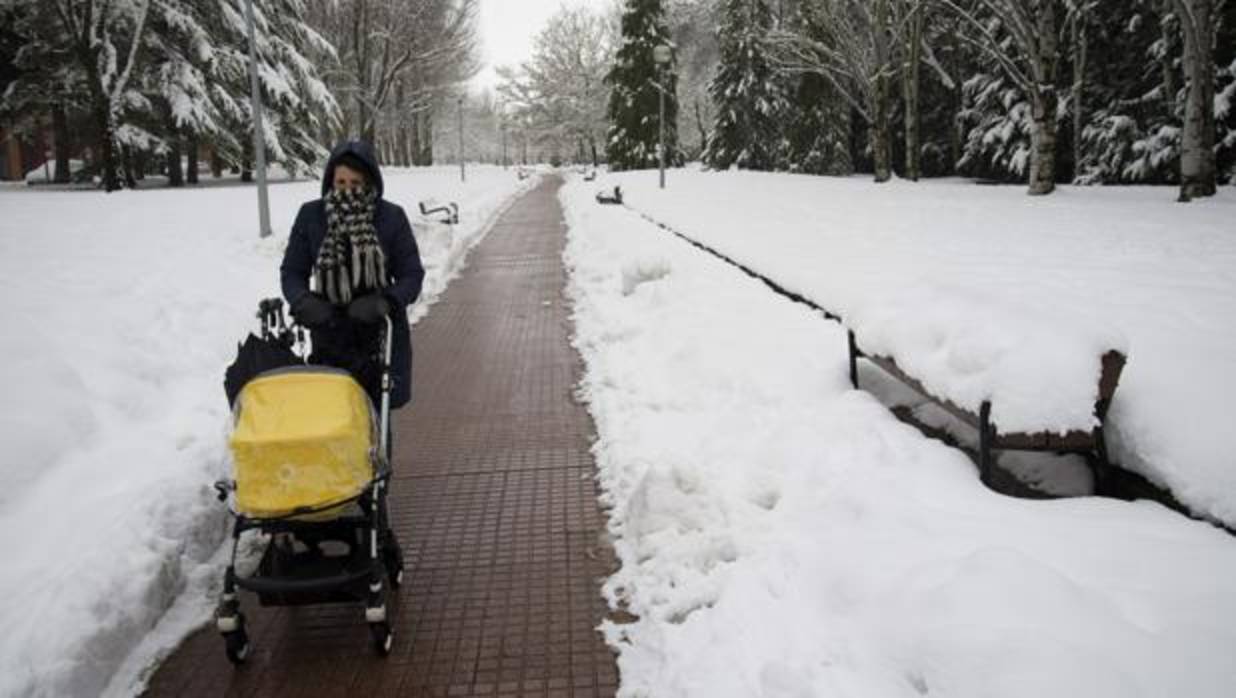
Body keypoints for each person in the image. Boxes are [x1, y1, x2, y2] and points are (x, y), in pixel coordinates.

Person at [280, 140, 425, 453]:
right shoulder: (312, 216)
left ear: (370, 181)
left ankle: (375, 485)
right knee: (330, 410)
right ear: (330, 180)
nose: (347, 189)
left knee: (374, 412)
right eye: (341, 181)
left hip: (377, 332)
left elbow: (412, 275)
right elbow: (292, 271)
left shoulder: (390, 217)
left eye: (356, 183)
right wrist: (303, 301)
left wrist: (386, 301)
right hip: (329, 328)